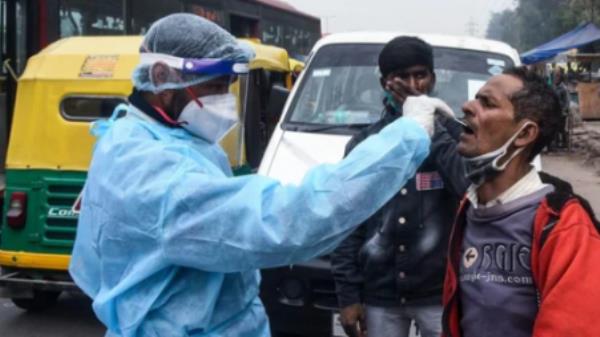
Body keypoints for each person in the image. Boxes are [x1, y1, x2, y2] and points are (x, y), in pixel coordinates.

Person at [68, 14, 452, 337]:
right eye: (216, 87)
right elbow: (288, 220)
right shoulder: (156, 174)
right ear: (162, 76)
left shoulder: (132, 135)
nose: (225, 100)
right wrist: (408, 135)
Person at [442, 66, 600, 337]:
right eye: (475, 98)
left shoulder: (564, 225)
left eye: (487, 103)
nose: (467, 106)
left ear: (525, 134)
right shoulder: (469, 208)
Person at [331, 36, 469, 337]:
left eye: (420, 75)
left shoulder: (456, 134)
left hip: (439, 293)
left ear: (432, 79)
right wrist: (348, 296)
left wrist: (425, 125)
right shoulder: (366, 144)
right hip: (381, 294)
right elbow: (347, 222)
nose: (413, 85)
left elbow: (468, 186)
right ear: (385, 84)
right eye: (401, 78)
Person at [550, 68, 569, 149]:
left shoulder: (563, 88)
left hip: (561, 112)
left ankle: (565, 143)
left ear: (560, 79)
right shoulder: (553, 87)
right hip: (555, 111)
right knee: (555, 129)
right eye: (555, 77)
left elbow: (567, 101)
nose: (555, 79)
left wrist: (565, 110)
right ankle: (556, 144)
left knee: (562, 129)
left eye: (557, 77)